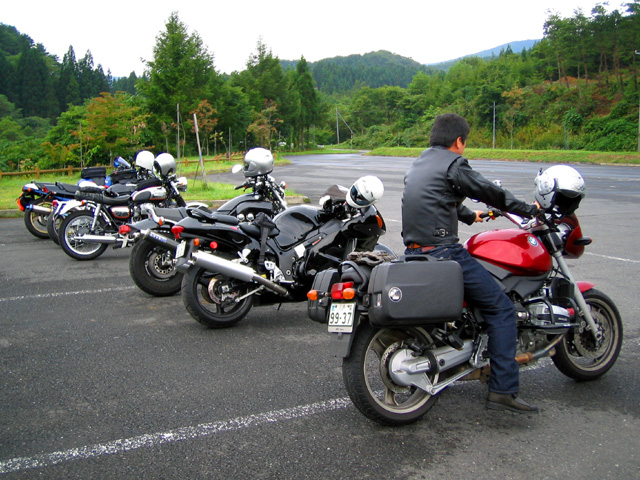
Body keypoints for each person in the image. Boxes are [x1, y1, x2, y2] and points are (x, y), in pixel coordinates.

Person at [401, 113, 541, 413]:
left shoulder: (419, 164)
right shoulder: (454, 164)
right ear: (459, 141)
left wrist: (470, 216)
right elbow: (489, 191)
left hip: (415, 251)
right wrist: (530, 209)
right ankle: (503, 389)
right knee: (502, 308)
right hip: (444, 252)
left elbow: (438, 197)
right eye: (465, 142)